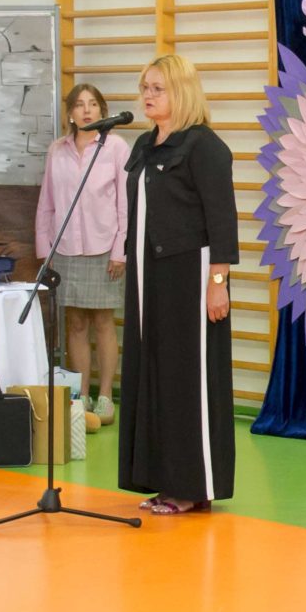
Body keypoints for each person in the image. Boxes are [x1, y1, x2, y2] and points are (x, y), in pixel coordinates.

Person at [117, 54, 237, 514]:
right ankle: (164, 479)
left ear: (181, 92)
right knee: (155, 378)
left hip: (191, 277)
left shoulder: (204, 146)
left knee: (188, 381)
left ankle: (192, 486)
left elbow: (222, 221)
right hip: (148, 278)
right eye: (145, 88)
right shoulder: (145, 144)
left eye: (157, 88)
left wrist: (218, 282)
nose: (147, 96)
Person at [36, 82, 129, 423]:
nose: (87, 110)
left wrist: (120, 251)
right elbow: (47, 203)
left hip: (104, 247)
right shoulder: (56, 150)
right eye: (79, 104)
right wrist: (44, 249)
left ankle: (105, 396)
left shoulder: (116, 147)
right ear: (70, 113)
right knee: (74, 322)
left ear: (103, 110)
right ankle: (81, 395)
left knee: (103, 321)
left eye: (93, 104)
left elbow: (126, 204)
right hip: (65, 248)